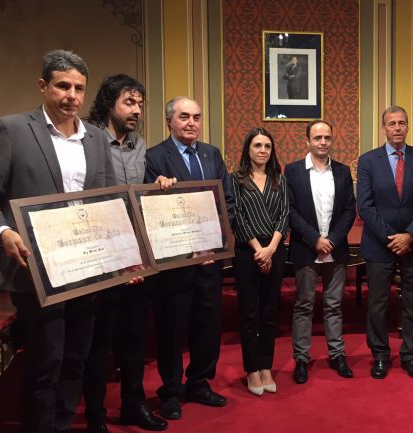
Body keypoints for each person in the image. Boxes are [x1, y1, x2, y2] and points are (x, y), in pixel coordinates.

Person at [0, 49, 120, 433]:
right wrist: (2, 232)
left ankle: (62, 424)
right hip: (34, 268)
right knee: (45, 361)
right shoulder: (13, 129)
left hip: (88, 269)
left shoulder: (96, 138)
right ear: (43, 86)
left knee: (75, 360)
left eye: (79, 88)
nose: (72, 95)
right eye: (63, 85)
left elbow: (111, 199)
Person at [83, 74, 172, 432]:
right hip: (101, 258)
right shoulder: (87, 139)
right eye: (128, 103)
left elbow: (136, 199)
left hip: (138, 258)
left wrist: (159, 187)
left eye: (139, 104)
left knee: (134, 338)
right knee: (98, 343)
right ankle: (95, 415)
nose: (136, 110)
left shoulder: (139, 145)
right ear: (108, 104)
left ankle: (134, 405)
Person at [144, 96, 234, 420]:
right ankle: (171, 390)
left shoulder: (212, 154)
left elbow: (228, 201)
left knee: (207, 326)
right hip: (174, 265)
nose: (192, 122)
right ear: (170, 121)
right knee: (171, 330)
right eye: (184, 116)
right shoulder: (154, 157)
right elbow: (148, 210)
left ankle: (199, 382)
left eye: (196, 116)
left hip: (209, 261)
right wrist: (156, 189)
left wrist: (218, 244)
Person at [356, 106, 413, 380]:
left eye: (402, 123)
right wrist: (392, 238)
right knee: (378, 303)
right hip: (380, 244)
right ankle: (379, 355)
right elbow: (365, 206)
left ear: (407, 126)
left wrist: (410, 235)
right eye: (392, 123)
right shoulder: (368, 161)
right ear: (384, 129)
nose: (397, 128)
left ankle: (410, 355)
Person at [285, 120, 356, 384]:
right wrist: (315, 239)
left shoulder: (342, 171)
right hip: (306, 249)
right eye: (318, 138)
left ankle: (337, 354)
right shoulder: (292, 171)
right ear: (307, 141)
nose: (323, 142)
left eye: (327, 137)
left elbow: (350, 209)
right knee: (303, 305)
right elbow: (289, 210)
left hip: (335, 251)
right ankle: (301, 358)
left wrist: (333, 240)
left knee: (334, 305)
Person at [231, 128, 289, 395]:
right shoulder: (236, 179)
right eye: (257, 145)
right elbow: (237, 218)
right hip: (247, 251)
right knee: (249, 314)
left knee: (269, 312)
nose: (263, 150)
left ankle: (266, 366)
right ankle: (252, 370)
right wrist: (259, 250)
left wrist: (272, 249)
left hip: (275, 251)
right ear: (248, 149)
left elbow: (284, 214)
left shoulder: (280, 178)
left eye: (267, 146)